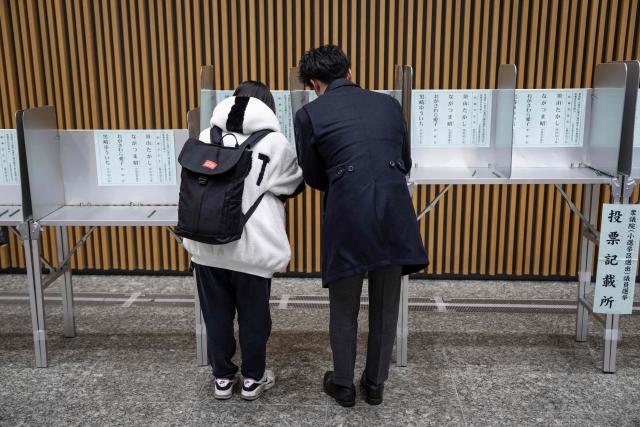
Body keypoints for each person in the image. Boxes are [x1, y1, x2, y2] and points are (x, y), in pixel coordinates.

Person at [294, 45, 428, 407]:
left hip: (348, 213)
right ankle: (375, 384)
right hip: (394, 211)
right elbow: (405, 160)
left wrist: (345, 182)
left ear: (314, 84)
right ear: (350, 72)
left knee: (344, 305)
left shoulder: (309, 114)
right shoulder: (389, 104)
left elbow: (313, 175)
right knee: (386, 304)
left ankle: (343, 385)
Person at [183, 81, 303, 401]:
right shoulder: (275, 143)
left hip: (206, 247)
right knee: (254, 316)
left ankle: (222, 378)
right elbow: (292, 185)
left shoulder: (206, 137)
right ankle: (252, 379)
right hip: (253, 248)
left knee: (217, 315)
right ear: (268, 107)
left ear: (231, 102)